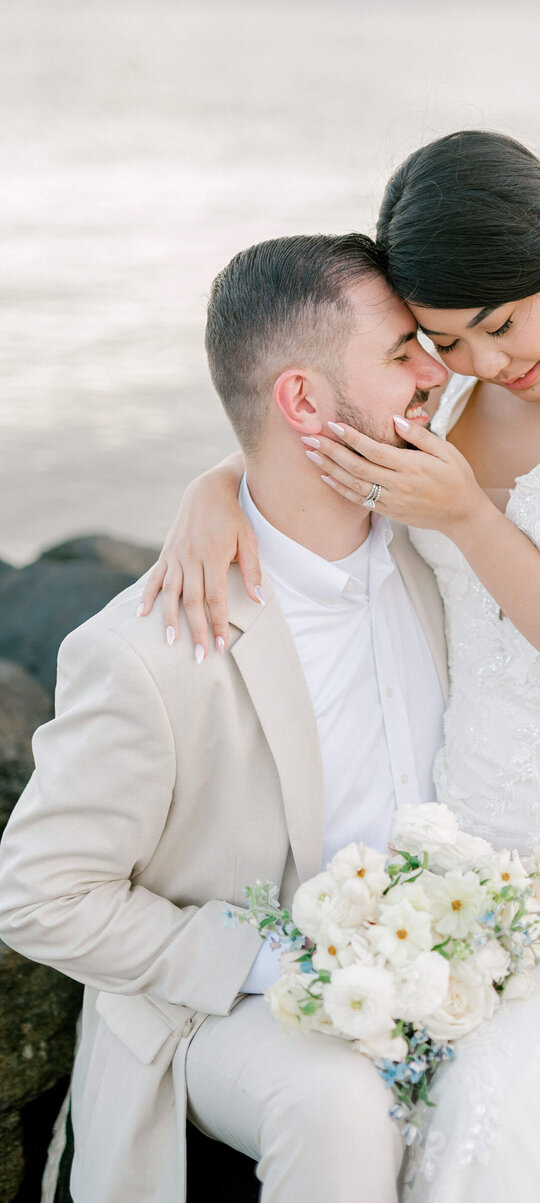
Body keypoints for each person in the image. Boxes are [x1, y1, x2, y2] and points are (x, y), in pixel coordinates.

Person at [141, 132, 540, 1199]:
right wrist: (209, 492)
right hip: (482, 860)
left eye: (501, 323)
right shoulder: (450, 399)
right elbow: (303, 429)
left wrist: (465, 517)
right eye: (445, 341)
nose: (489, 363)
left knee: (517, 1106)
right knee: (460, 1091)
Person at [0, 233, 451, 1203]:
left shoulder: (447, 554)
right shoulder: (149, 651)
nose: (437, 368)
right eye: (403, 350)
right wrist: (256, 957)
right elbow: (37, 890)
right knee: (339, 1102)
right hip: (221, 1012)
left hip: (451, 958)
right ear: (300, 400)